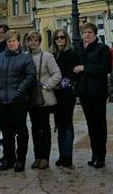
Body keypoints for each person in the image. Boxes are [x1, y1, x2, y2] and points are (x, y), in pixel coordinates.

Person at [0, 30, 36, 172]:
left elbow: (30, 76)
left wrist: (19, 90)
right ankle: (8, 158)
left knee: (21, 130)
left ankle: (20, 159)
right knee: (6, 132)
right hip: (2, 99)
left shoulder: (25, 57)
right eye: (9, 41)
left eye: (13, 41)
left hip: (18, 100)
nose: (11, 43)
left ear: (18, 42)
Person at [73, 22, 111, 168]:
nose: (86, 35)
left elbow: (105, 68)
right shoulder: (79, 49)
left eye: (89, 32)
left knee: (99, 124)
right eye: (84, 32)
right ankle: (94, 154)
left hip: (98, 93)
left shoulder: (103, 49)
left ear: (95, 34)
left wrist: (85, 68)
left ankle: (101, 155)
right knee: (90, 124)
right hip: (85, 93)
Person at [27, 30, 61, 169]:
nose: (33, 42)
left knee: (44, 128)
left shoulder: (47, 56)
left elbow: (57, 74)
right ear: (27, 41)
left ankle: (45, 157)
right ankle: (37, 157)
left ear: (39, 41)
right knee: (35, 128)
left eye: (36, 40)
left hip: (43, 98)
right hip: (30, 98)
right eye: (31, 40)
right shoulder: (25, 56)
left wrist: (47, 86)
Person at [50, 29, 78, 167]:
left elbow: (71, 76)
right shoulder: (52, 55)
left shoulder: (71, 54)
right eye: (57, 38)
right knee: (59, 125)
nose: (60, 40)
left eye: (62, 37)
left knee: (67, 124)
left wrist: (59, 85)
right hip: (55, 96)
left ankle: (68, 156)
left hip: (67, 94)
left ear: (66, 39)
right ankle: (62, 155)